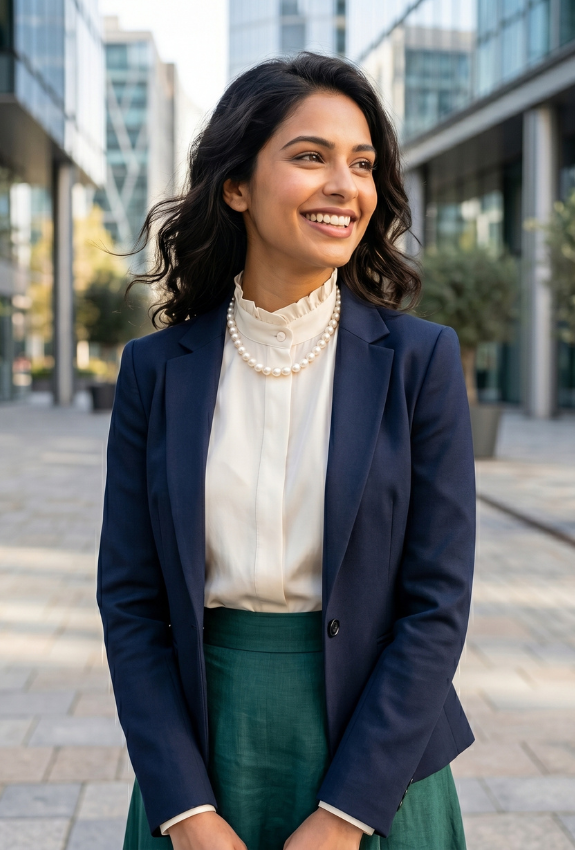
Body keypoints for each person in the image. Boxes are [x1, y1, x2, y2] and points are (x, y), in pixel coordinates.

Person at [97, 52, 475, 850]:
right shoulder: (155, 371)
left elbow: (436, 605)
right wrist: (185, 812)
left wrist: (344, 819)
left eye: (362, 164)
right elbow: (130, 604)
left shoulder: (420, 362)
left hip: (380, 767)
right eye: (311, 157)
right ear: (236, 186)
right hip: (204, 756)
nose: (346, 185)